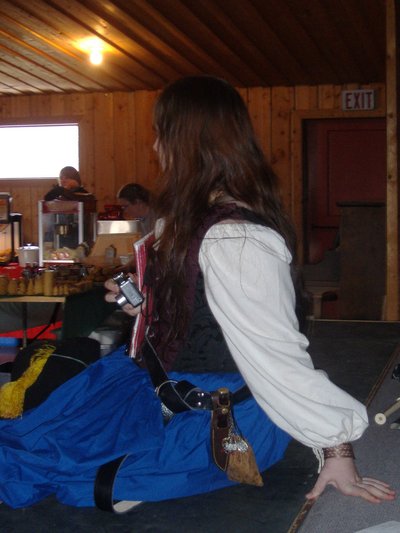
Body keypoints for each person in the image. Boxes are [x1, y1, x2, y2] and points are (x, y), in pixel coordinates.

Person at [0, 77, 394, 511]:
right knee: (33, 441)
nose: (156, 147)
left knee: (54, 471)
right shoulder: (193, 221)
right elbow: (198, 315)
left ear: (188, 142)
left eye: (162, 134)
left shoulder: (236, 240)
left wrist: (336, 445)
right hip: (155, 387)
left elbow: (275, 353)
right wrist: (148, 305)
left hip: (218, 419)